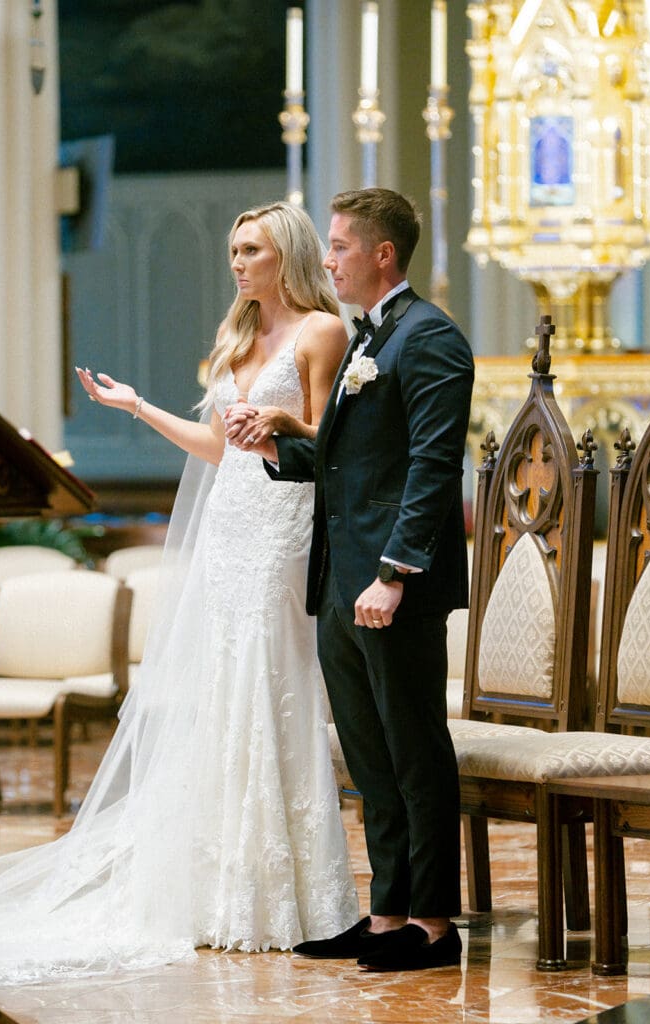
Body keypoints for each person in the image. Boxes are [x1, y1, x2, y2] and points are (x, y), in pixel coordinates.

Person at [0, 200, 358, 986]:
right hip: (232, 522)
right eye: (232, 249)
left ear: (284, 255)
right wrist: (137, 407)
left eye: (251, 249)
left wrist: (279, 425)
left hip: (281, 522)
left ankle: (285, 894)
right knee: (224, 690)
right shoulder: (236, 339)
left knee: (271, 685)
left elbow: (330, 440)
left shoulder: (322, 332)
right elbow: (215, 445)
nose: (236, 262)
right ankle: (222, 884)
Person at [226, 188, 474, 972]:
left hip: (389, 585)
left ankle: (434, 925)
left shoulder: (429, 339)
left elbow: (432, 471)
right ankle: (386, 915)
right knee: (369, 760)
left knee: (413, 752)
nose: (326, 259)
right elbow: (339, 460)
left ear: (382, 255)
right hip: (340, 581)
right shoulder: (373, 339)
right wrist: (268, 445)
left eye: (338, 246)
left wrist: (396, 573)